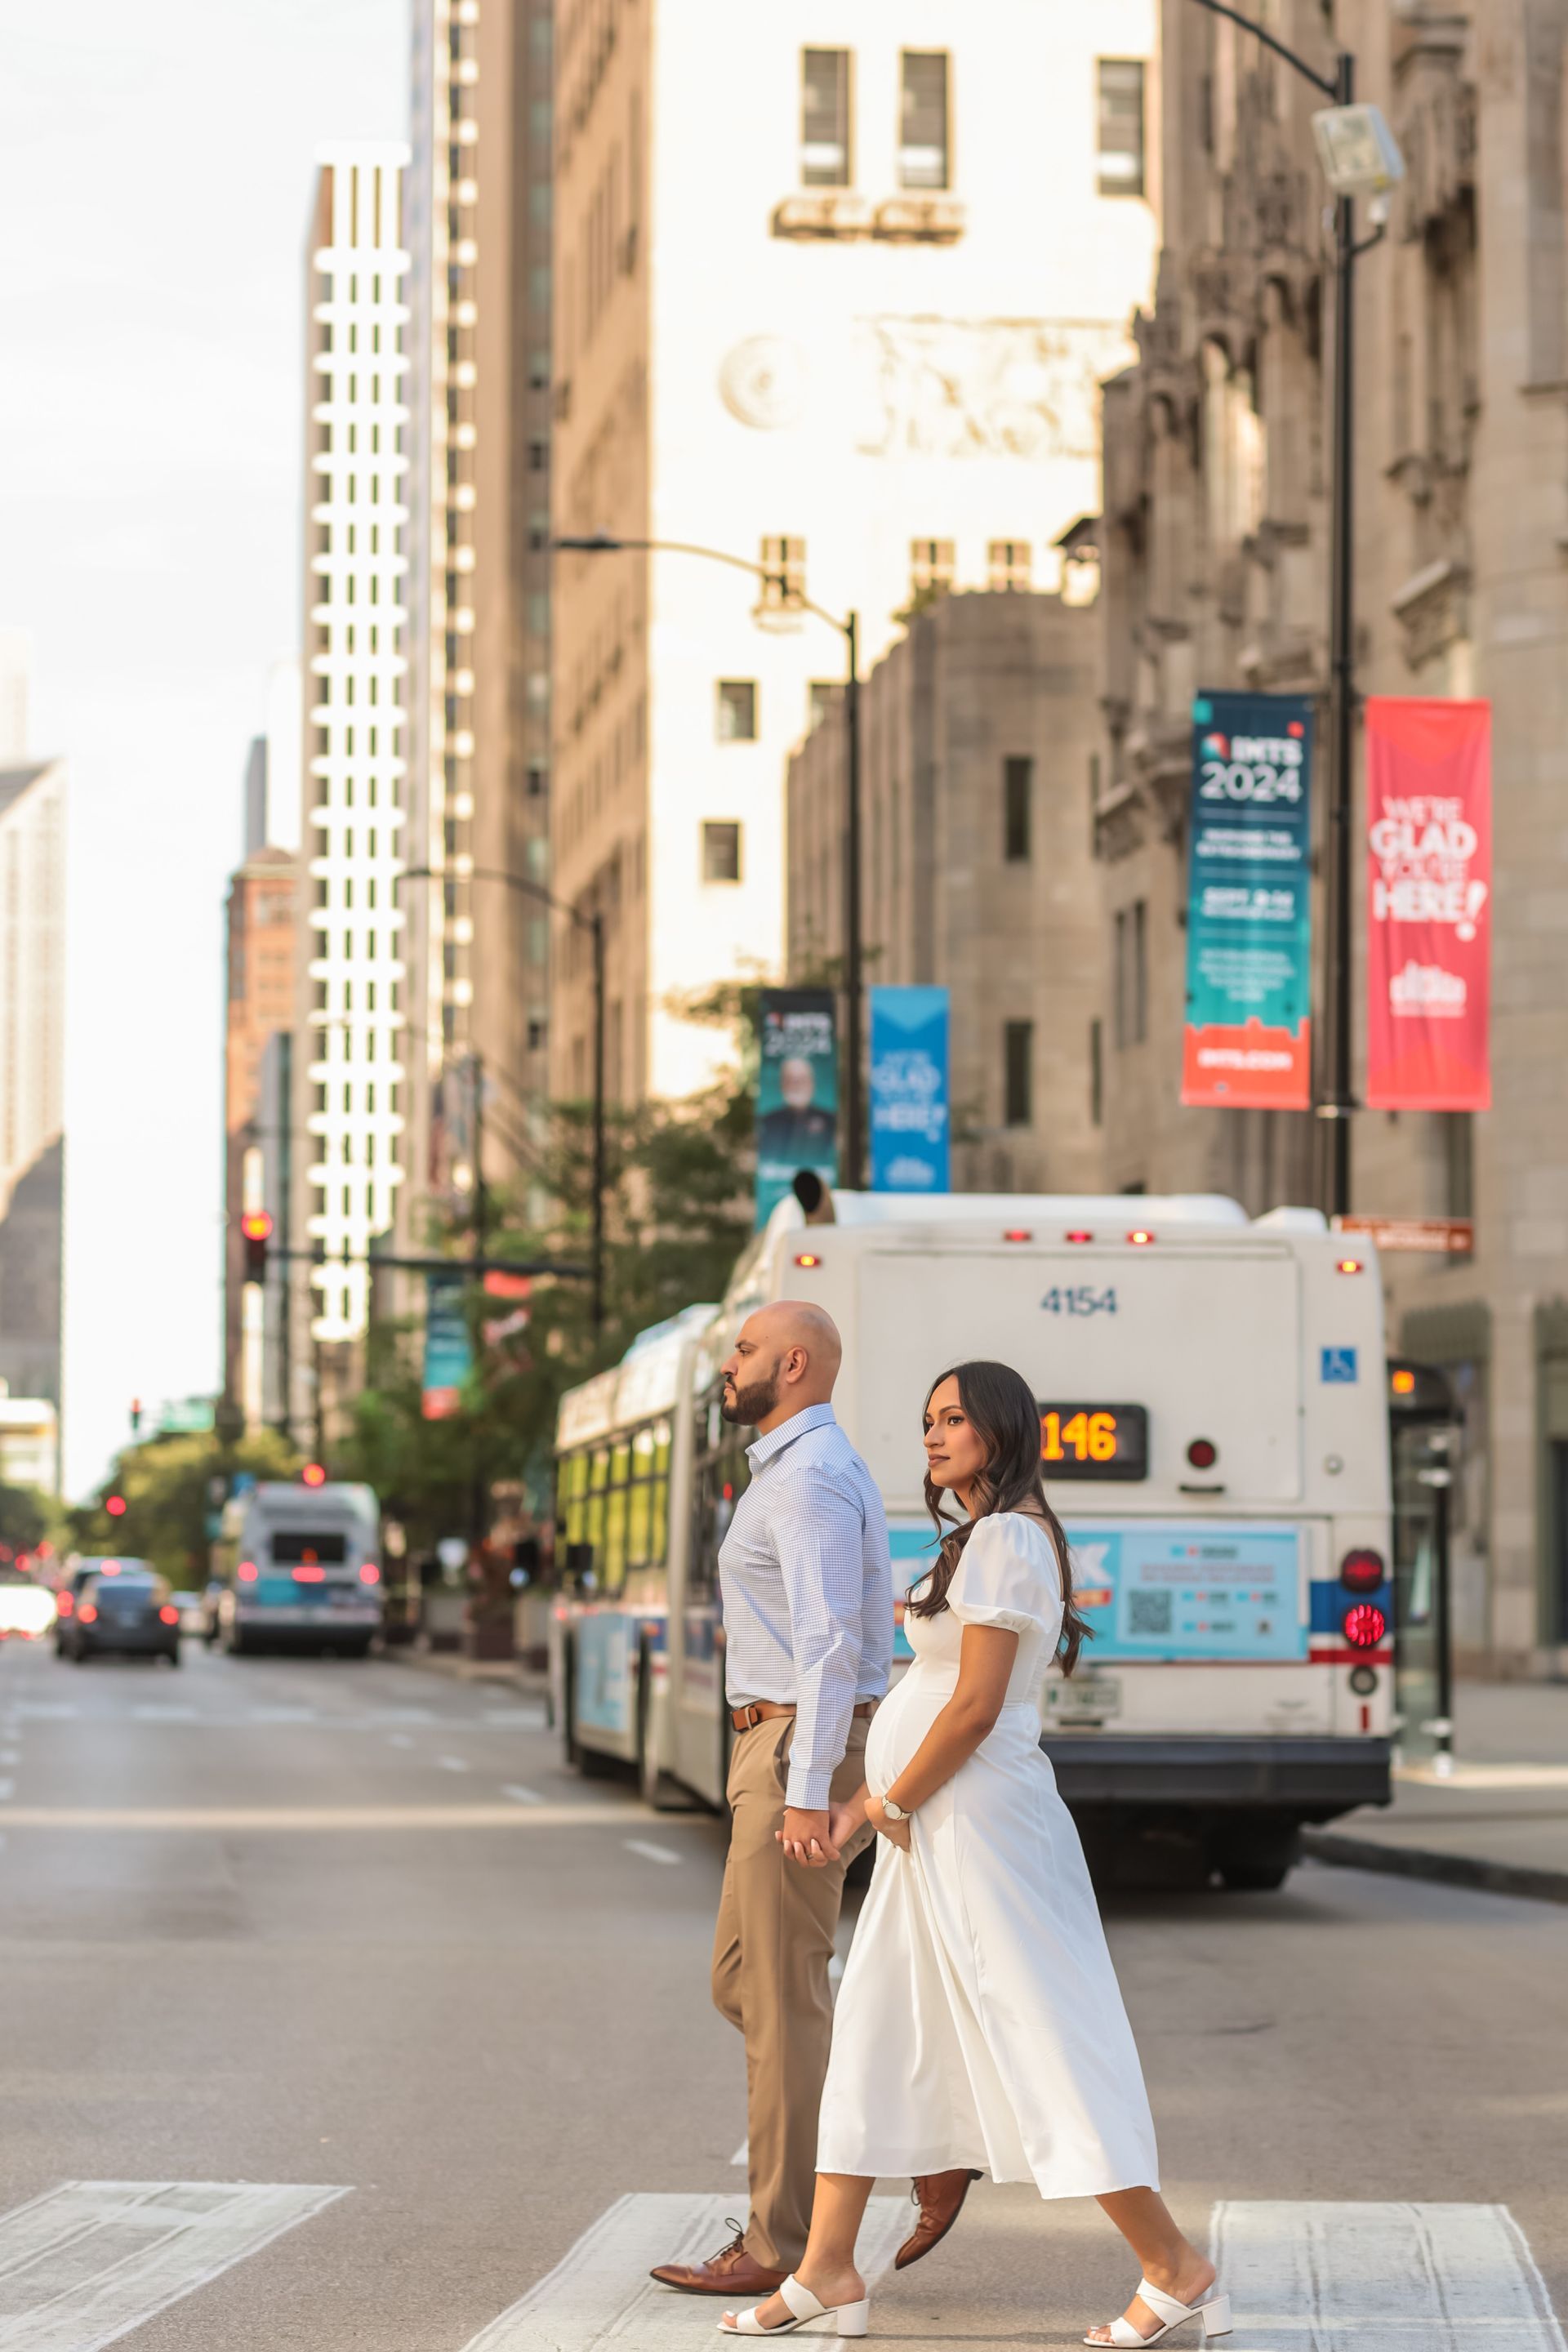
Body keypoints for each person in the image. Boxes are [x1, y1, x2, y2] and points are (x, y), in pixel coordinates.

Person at [721, 1360, 1229, 2348]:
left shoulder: (1006, 1539)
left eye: (954, 1419)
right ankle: (828, 2267)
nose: (933, 1435)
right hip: (933, 1824)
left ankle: (1174, 2263)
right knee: (874, 2029)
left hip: (984, 1827)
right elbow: (934, 1704)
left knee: (1041, 2033)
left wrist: (894, 1798)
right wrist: (862, 1814)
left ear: (1000, 1430)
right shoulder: (980, 1540)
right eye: (926, 1421)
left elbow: (975, 1707)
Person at [650, 1303, 978, 2301]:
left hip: (797, 1740)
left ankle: (782, 2241)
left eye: (744, 1350)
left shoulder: (811, 1479)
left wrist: (804, 1791)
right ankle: (924, 2139)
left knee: (781, 1999)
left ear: (792, 1365)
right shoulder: (791, 1472)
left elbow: (836, 1640)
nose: (729, 1365)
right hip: (775, 1736)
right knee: (746, 1984)